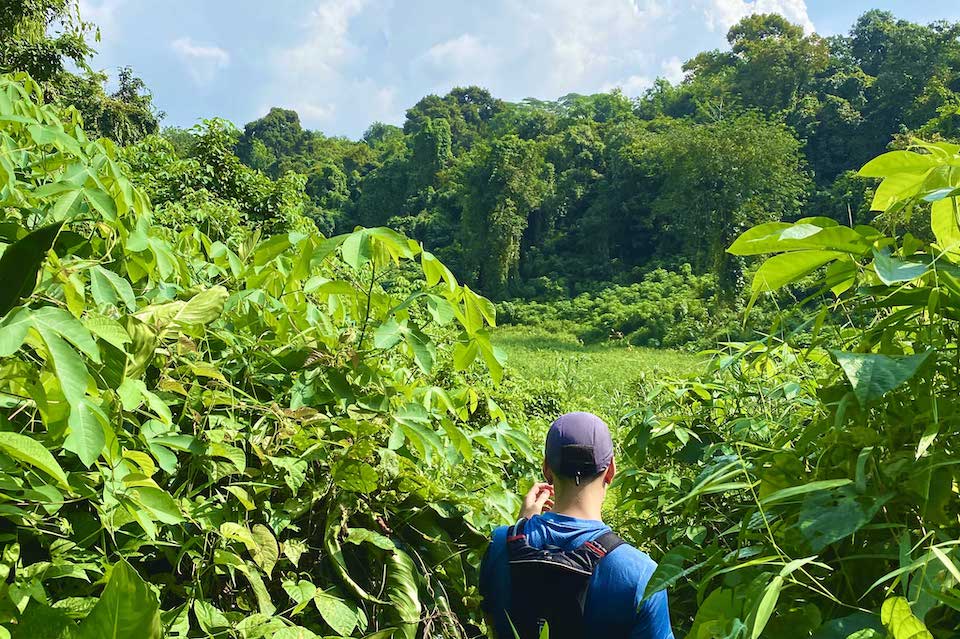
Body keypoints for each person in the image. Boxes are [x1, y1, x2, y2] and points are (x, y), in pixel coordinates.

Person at [479, 412, 674, 639]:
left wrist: (521, 527)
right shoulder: (641, 573)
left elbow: (493, 620)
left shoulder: (500, 544)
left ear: (546, 469)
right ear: (611, 470)